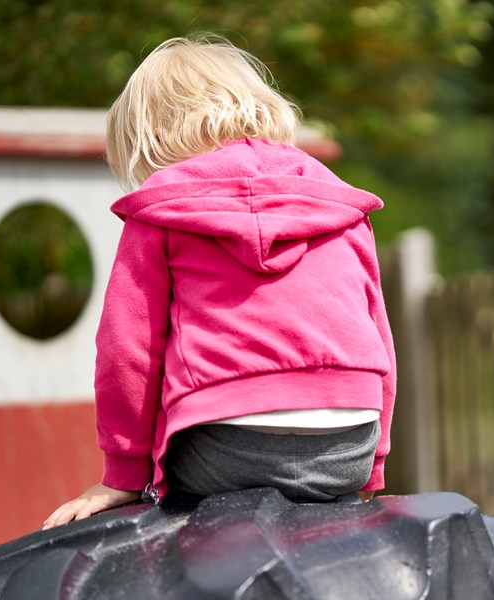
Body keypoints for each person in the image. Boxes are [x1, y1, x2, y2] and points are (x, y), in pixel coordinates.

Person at [43, 34, 396, 529]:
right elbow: (378, 332)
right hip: (347, 442)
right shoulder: (335, 202)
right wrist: (373, 464)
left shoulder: (162, 212)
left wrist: (122, 476)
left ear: (158, 138)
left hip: (227, 446)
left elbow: (128, 351)